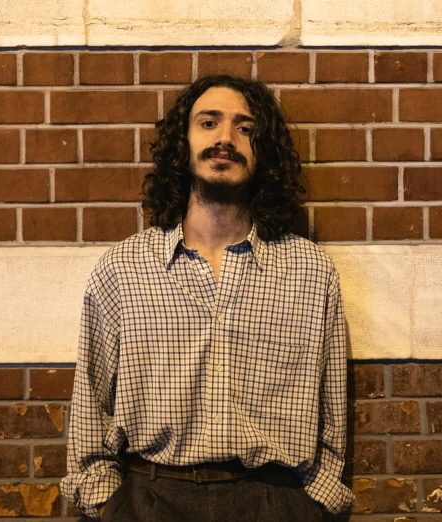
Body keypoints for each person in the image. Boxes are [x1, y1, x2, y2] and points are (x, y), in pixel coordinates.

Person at [59, 74, 356, 521]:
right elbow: (91, 405)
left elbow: (333, 406)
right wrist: (108, 505)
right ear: (183, 143)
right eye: (208, 123)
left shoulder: (309, 271)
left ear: (263, 150)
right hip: (150, 501)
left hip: (274, 503)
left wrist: (314, 502)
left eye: (245, 128)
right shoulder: (123, 269)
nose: (225, 139)